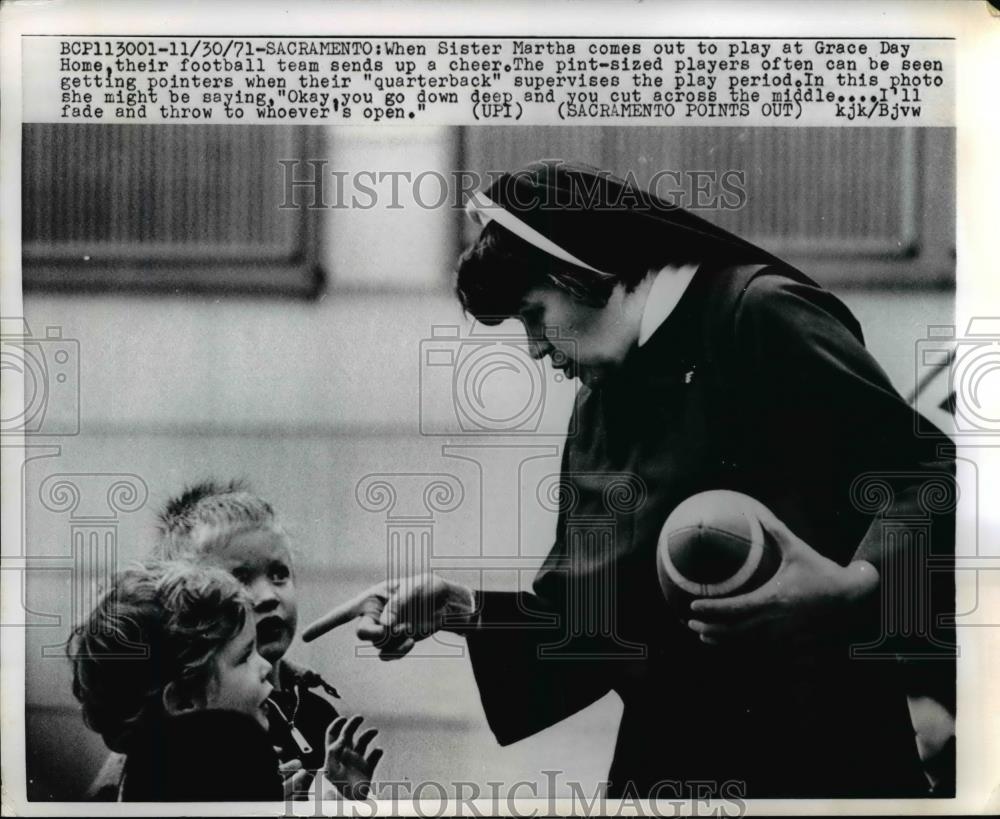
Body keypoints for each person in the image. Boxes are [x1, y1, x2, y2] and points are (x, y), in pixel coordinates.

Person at [304, 161, 955, 798]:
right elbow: (597, 618)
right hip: (667, 761)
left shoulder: (758, 314)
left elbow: (930, 476)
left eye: (534, 312)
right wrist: (465, 609)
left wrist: (856, 584)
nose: (533, 347)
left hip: (818, 756)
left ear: (581, 269)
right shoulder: (598, 397)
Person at [85, 480, 380, 800]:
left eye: (279, 573)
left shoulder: (318, 715)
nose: (268, 596)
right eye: (238, 579)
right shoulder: (156, 754)